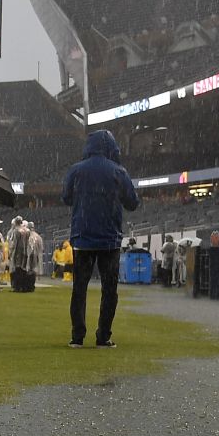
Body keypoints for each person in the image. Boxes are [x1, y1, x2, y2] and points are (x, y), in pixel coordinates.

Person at [62, 128, 140, 347]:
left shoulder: (76, 170)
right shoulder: (118, 171)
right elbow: (132, 203)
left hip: (83, 237)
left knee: (79, 290)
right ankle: (103, 336)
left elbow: (66, 198)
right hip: (109, 240)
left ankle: (77, 337)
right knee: (109, 290)